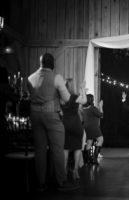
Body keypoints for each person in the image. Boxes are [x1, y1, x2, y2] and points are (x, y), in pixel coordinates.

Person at [27, 53, 79, 191]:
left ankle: (41, 183)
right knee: (57, 148)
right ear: (52, 63)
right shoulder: (57, 77)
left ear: (40, 63)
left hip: (35, 114)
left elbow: (31, 96)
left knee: (40, 150)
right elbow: (67, 98)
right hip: (51, 114)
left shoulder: (30, 78)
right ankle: (61, 182)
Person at [61, 78, 87, 180]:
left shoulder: (61, 98)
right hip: (76, 125)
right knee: (77, 148)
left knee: (66, 148)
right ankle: (75, 171)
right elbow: (84, 101)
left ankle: (63, 172)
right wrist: (83, 89)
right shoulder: (74, 97)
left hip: (65, 124)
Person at [81, 94, 104, 165]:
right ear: (91, 100)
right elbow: (101, 115)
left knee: (89, 142)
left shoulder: (83, 108)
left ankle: (87, 160)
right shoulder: (92, 108)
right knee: (100, 139)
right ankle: (94, 159)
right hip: (93, 127)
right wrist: (100, 106)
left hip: (86, 127)